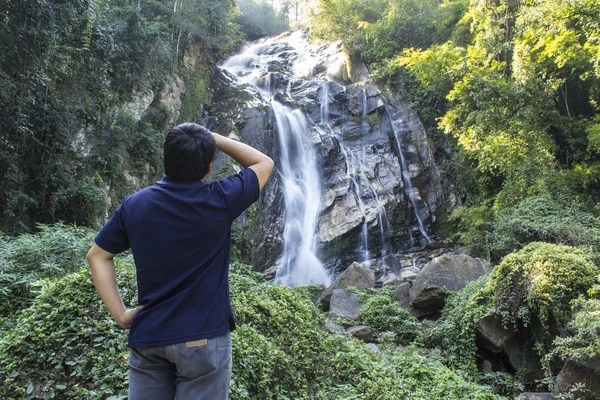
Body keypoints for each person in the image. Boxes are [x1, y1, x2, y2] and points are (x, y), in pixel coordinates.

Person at [86, 123, 274, 400]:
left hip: (149, 337)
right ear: (209, 167)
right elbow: (263, 162)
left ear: (165, 159)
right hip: (203, 339)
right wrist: (212, 137)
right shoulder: (221, 199)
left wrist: (121, 314)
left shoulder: (135, 205)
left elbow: (97, 256)